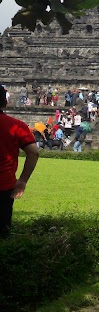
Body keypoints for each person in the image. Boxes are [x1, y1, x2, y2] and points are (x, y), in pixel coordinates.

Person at [0, 86, 39, 238]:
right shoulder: (16, 125)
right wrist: (22, 180)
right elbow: (34, 152)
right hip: (3, 187)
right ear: (5, 102)